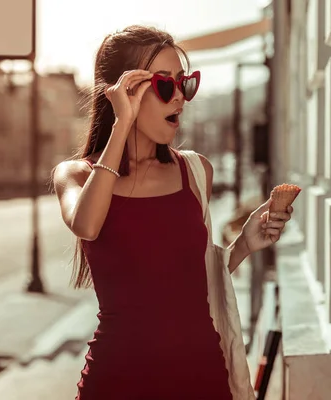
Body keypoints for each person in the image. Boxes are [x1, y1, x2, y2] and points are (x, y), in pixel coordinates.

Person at [51, 25, 292, 400]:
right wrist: (121, 126)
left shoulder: (196, 172)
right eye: (166, 85)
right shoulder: (77, 175)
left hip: (203, 377)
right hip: (118, 381)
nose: (180, 97)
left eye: (186, 83)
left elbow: (183, 282)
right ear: (122, 92)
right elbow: (87, 224)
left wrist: (243, 244)